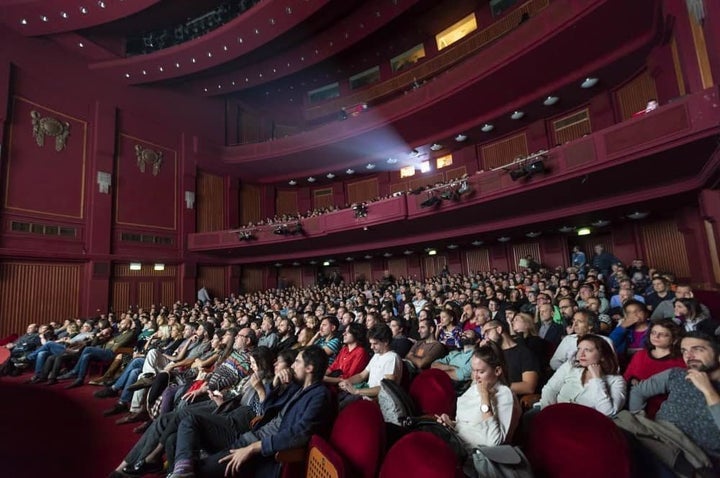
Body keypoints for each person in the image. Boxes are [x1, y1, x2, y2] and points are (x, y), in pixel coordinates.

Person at [166, 346, 335, 478]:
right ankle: (181, 471)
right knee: (177, 436)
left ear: (309, 368)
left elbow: (300, 434)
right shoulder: (298, 388)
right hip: (249, 436)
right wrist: (275, 384)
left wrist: (253, 448)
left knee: (197, 469)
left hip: (259, 452)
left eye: (297, 362)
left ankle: (183, 472)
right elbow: (268, 408)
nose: (292, 366)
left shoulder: (320, 396)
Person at [628, 331, 720, 469]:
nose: (688, 356)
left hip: (691, 457)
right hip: (654, 435)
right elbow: (638, 391)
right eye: (684, 351)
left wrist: (708, 391)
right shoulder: (677, 374)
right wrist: (638, 416)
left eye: (697, 349)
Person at [436, 343, 520, 459]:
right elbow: (469, 426)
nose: (475, 377)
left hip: (477, 459)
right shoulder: (473, 388)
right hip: (457, 446)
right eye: (473, 371)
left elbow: (494, 442)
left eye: (481, 372)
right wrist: (451, 424)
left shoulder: (504, 394)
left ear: (497, 371)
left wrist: (485, 397)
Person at [540, 334, 626, 416]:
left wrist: (597, 379)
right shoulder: (570, 366)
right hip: (554, 413)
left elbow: (608, 413)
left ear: (602, 356)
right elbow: (550, 390)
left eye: (587, 350)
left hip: (584, 424)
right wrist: (548, 414)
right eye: (579, 349)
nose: (581, 354)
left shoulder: (616, 380)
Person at [623, 319, 685, 418]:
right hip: (635, 407)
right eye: (653, 333)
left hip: (664, 411)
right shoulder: (640, 355)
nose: (656, 336)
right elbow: (627, 376)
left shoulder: (680, 362)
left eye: (663, 334)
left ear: (674, 339)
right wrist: (631, 380)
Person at [337, 324, 402, 400]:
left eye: (375, 344)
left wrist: (357, 391)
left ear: (386, 342)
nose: (371, 347)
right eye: (371, 344)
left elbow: (386, 388)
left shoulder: (392, 358)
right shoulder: (377, 355)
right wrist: (347, 382)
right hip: (366, 394)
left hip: (379, 399)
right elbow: (362, 375)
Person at [550, 310, 614, 370]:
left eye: (579, 321)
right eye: (573, 321)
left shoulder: (606, 341)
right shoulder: (568, 339)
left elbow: (612, 366)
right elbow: (554, 362)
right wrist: (570, 372)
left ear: (590, 325)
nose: (574, 325)